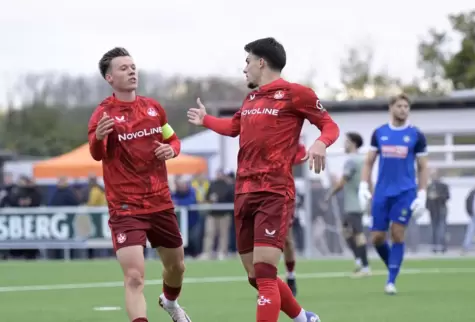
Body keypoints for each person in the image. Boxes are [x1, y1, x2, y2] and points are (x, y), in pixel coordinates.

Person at [187, 37, 339, 322]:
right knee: (255, 276)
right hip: (244, 192)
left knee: (266, 272)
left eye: (247, 61)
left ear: (261, 62)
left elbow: (329, 124)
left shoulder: (296, 93)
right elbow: (233, 127)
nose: (244, 68)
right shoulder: (252, 99)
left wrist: (321, 143)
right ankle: (303, 318)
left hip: (274, 191)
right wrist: (206, 120)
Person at [88, 47, 191, 322]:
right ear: (109, 78)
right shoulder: (103, 114)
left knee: (177, 267)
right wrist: (98, 137)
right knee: (134, 277)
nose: (132, 71)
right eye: (123, 68)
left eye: (133, 66)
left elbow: (173, 138)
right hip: (125, 207)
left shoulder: (153, 108)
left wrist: (173, 150)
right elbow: (96, 154)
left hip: (160, 203)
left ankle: (170, 302)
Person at [358, 93, 428, 295]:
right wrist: (364, 186)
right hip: (381, 193)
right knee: (377, 237)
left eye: (406, 106)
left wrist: (422, 194)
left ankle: (391, 281)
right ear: (391, 108)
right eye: (399, 106)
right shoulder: (379, 133)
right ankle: (394, 265)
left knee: (397, 233)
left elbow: (423, 167)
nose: (403, 109)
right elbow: (369, 162)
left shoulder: (416, 135)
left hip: (405, 193)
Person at [325, 132, 370, 276]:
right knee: (346, 231)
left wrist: (330, 194)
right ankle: (359, 260)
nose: (344, 145)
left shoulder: (351, 160)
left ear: (353, 143)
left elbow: (343, 180)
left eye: (346, 142)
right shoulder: (362, 159)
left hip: (353, 204)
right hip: (357, 202)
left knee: (357, 233)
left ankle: (365, 266)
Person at [283, 143, 308, 296]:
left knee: (286, 240)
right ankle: (267, 283)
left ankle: (291, 276)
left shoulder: (287, 136)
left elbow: (302, 152)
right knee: (262, 241)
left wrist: (285, 160)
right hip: (261, 192)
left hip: (284, 194)